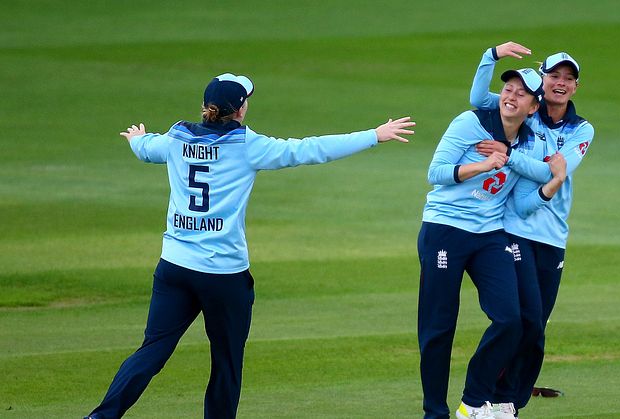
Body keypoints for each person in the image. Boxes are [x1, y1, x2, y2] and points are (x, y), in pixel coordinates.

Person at [84, 73, 415, 419]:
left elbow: (146, 149)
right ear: (240, 110)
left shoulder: (176, 136)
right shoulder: (247, 145)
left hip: (175, 267)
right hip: (223, 275)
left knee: (152, 350)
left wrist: (137, 138)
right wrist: (373, 136)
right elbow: (308, 149)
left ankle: (101, 416)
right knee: (226, 362)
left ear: (204, 107)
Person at [417, 67, 566, 419]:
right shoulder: (470, 123)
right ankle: (434, 413)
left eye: (521, 93)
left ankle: (474, 400)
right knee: (438, 328)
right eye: (508, 89)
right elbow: (435, 173)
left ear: (533, 107)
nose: (511, 96)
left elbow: (524, 203)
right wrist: (483, 165)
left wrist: (554, 181)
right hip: (444, 230)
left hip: (489, 235)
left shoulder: (527, 143)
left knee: (511, 320)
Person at [469, 41, 596, 415]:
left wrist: (509, 156)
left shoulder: (582, 128)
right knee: (520, 320)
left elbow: (557, 171)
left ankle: (509, 403)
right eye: (554, 75)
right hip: (513, 228)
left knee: (536, 327)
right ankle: (483, 396)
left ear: (575, 87)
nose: (560, 82)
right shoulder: (527, 110)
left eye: (568, 78)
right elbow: (480, 97)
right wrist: (490, 56)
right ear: (542, 80)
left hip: (553, 235)